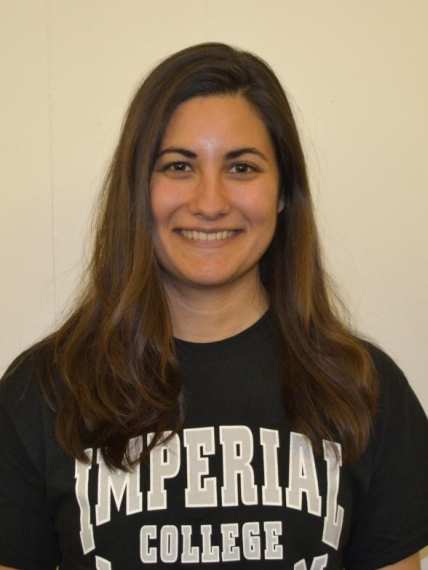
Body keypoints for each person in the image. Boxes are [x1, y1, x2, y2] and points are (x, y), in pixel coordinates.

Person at [0, 42, 427, 570]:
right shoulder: (43, 390)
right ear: (138, 190)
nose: (209, 203)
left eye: (242, 167)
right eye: (179, 166)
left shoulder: (364, 390)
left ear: (283, 193)